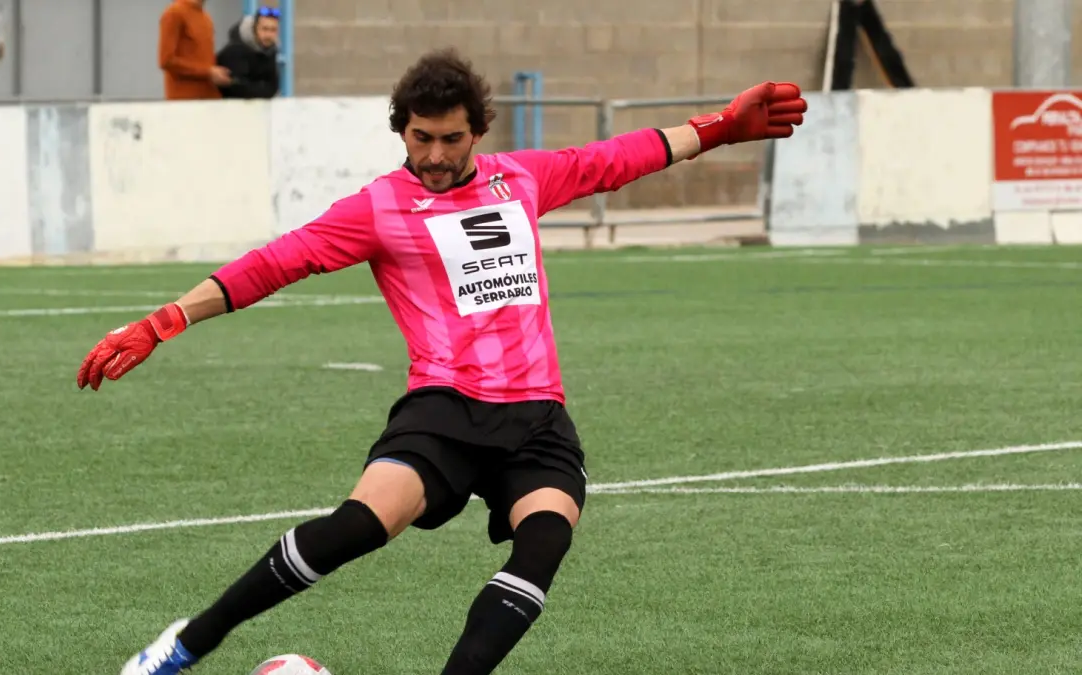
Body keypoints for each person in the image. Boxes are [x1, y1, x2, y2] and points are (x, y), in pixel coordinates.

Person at [79, 47, 806, 675]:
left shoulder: (522, 178)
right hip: (445, 410)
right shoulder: (378, 207)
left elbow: (616, 159)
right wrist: (164, 321)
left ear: (478, 132)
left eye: (451, 139)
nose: (434, 155)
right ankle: (188, 643)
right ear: (402, 130)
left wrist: (720, 128)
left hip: (537, 416)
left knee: (543, 544)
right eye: (420, 137)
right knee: (357, 527)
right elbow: (277, 262)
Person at [158, 0, 230, 101]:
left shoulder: (206, 17)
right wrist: (208, 72)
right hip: (186, 102)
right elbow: (166, 60)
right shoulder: (174, 13)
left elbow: (204, 60)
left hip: (209, 99)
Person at [216, 6, 281, 99]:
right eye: (264, 29)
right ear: (254, 28)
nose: (268, 35)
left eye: (273, 30)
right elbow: (238, 90)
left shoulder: (270, 51)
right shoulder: (235, 50)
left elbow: (272, 88)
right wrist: (261, 88)